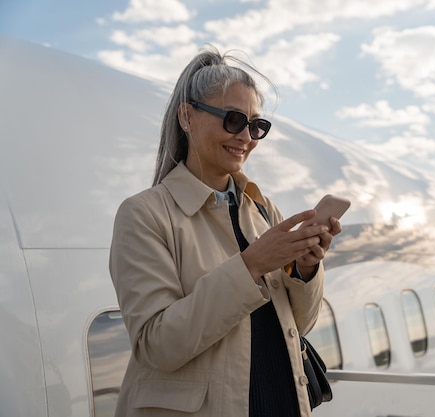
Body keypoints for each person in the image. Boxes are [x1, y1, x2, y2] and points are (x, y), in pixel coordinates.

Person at [109, 45, 342, 417]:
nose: (246, 137)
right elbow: (157, 345)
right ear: (187, 117)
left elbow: (300, 324)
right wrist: (250, 266)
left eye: (256, 126)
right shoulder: (144, 215)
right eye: (233, 120)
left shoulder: (264, 211)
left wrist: (304, 270)